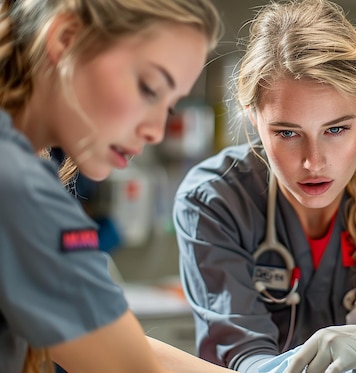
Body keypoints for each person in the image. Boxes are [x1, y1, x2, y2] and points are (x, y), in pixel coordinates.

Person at [172, 0, 356, 372]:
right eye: (287, 132)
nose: (313, 162)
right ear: (253, 116)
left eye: (336, 129)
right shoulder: (215, 199)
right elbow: (244, 356)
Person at [0, 0, 237, 372]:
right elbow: (134, 367)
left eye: (170, 106)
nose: (156, 130)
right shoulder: (17, 185)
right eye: (149, 88)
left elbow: (108, 344)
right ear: (65, 38)